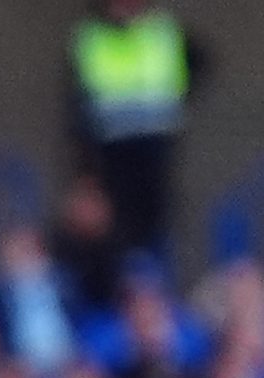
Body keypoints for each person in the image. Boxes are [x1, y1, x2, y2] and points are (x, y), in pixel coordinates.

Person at [70, 2, 199, 259]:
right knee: (116, 235)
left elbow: (201, 60)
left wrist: (181, 97)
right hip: (112, 156)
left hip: (155, 153)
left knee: (157, 229)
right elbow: (75, 106)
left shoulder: (163, 32)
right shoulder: (92, 38)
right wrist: (85, 174)